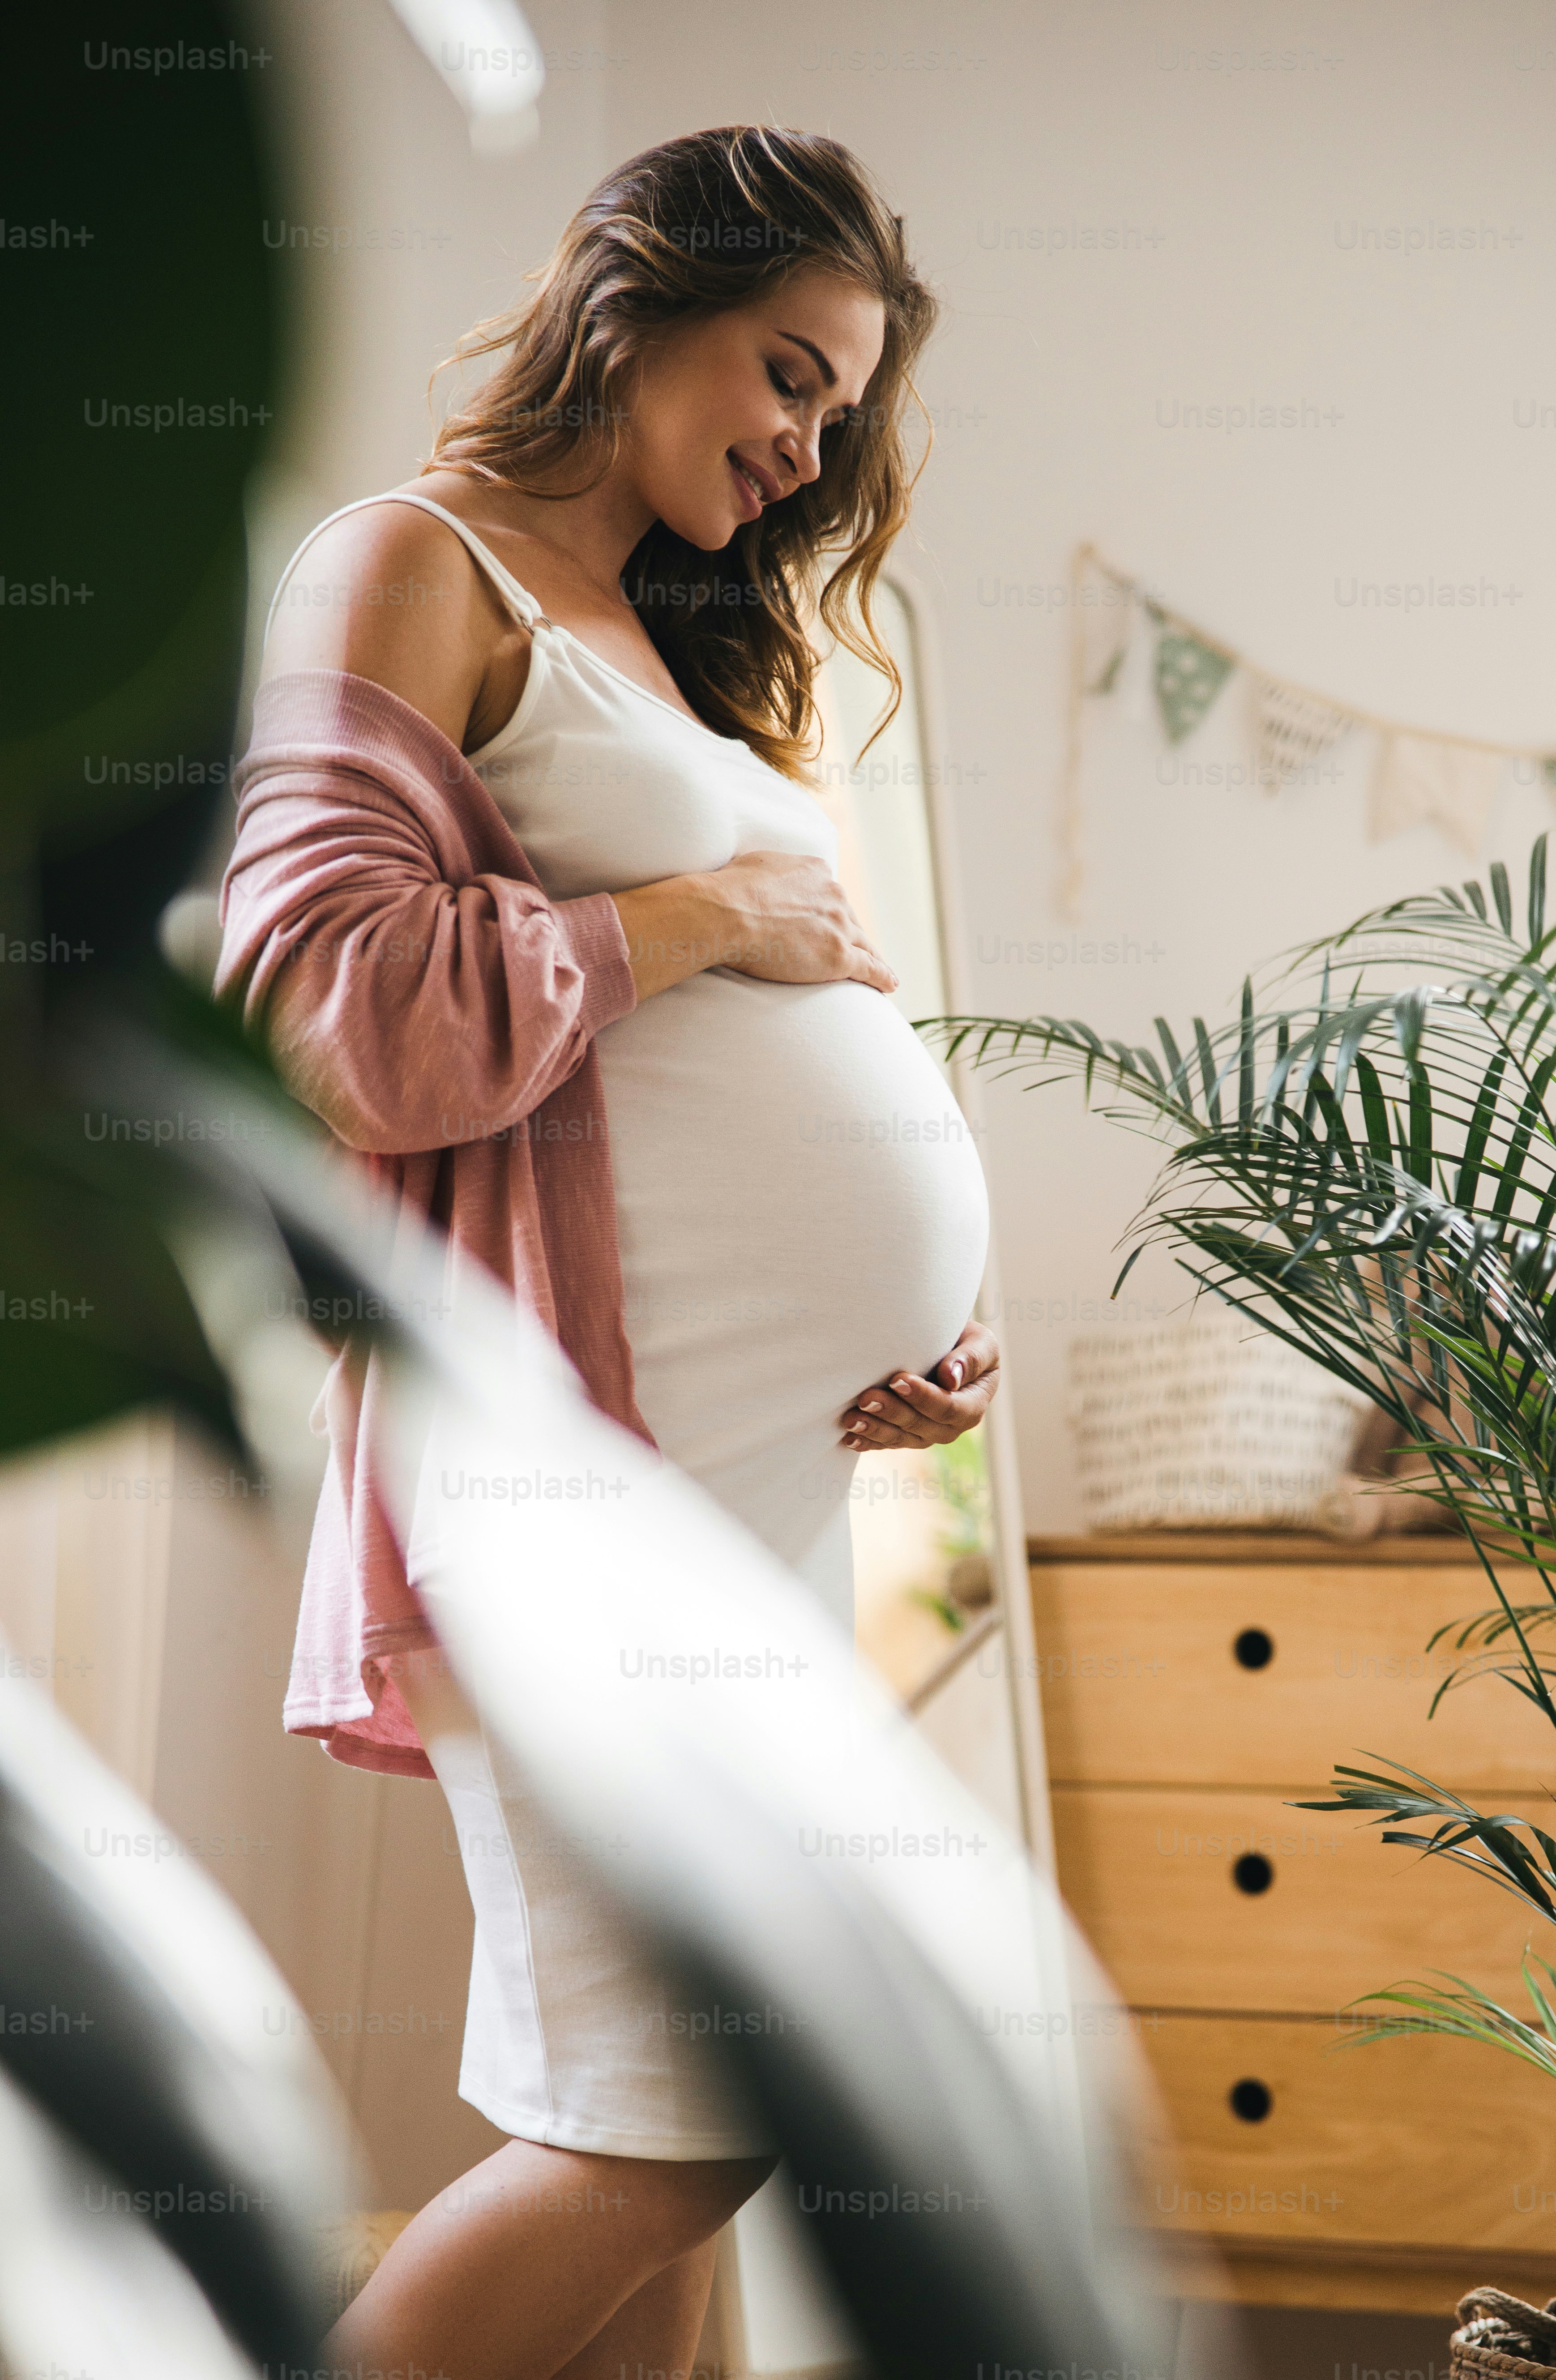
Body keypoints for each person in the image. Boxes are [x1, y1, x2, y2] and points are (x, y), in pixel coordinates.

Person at [239, 124, 999, 2380]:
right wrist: (698, 915)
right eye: (786, 371)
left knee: (678, 2114)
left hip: (744, 1490)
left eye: (837, 414)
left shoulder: (668, 651)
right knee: (668, 2134)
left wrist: (930, 1319)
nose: (804, 443)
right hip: (563, 1485)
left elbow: (796, 1049)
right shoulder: (410, 562)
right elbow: (324, 1010)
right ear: (635, 300)